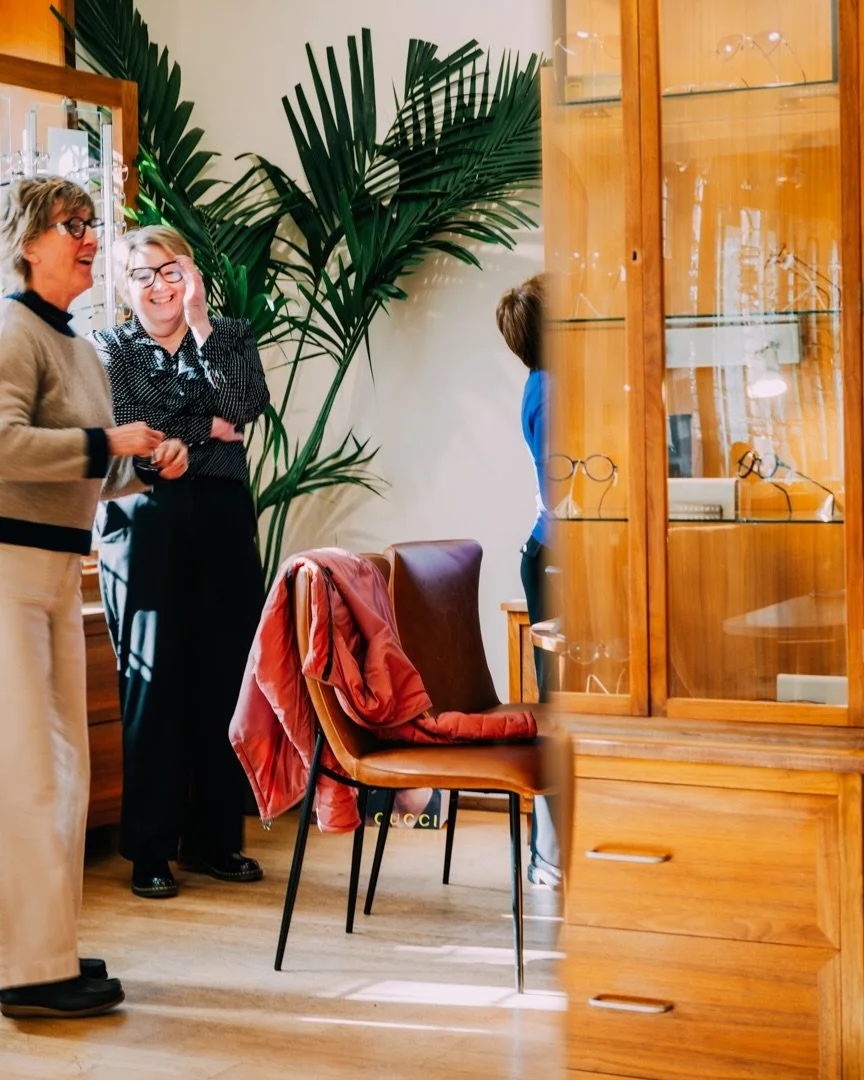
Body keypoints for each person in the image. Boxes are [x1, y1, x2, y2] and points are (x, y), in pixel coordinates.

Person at [0, 176, 185, 1018]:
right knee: (27, 771)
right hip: (10, 571)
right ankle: (25, 969)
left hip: (53, 570)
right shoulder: (12, 332)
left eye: (91, 223)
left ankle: (47, 947)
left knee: (65, 768)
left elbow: (91, 472)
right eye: (70, 224)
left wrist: (143, 466)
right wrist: (107, 441)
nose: (88, 237)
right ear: (27, 240)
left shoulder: (78, 349)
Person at [92, 224, 271, 899]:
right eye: (142, 275)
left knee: (224, 676)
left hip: (222, 516)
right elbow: (129, 423)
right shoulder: (109, 346)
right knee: (154, 682)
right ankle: (150, 850)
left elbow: (244, 407)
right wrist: (207, 431)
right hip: (145, 518)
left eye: (171, 270)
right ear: (124, 287)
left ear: (192, 274)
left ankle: (216, 840)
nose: (160, 285)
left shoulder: (229, 335)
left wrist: (200, 327)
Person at [496, 274, 562, 889]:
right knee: (559, 709)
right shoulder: (548, 391)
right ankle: (550, 856)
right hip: (553, 560)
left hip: (553, 556)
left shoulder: (552, 384)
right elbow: (564, 494)